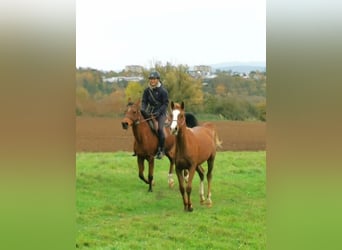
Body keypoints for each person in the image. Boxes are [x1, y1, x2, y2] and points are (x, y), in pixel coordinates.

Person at [141, 71, 169, 159]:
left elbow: (165, 104)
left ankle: (161, 150)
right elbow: (144, 101)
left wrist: (159, 112)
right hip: (150, 112)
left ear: (158, 80)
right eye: (150, 79)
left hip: (161, 113)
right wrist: (143, 109)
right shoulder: (147, 91)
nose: (152, 81)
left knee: (160, 129)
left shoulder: (163, 91)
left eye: (154, 79)